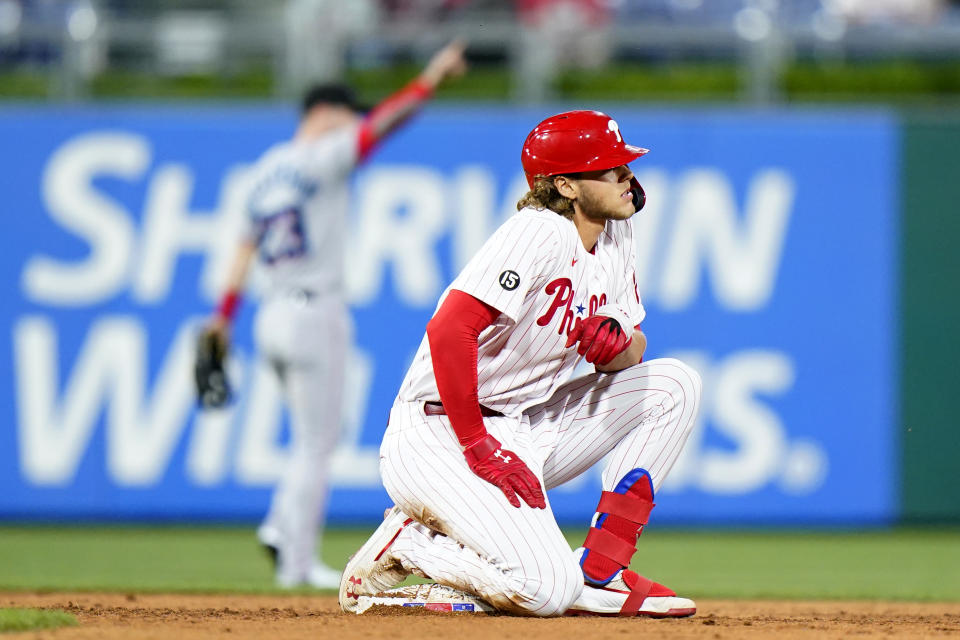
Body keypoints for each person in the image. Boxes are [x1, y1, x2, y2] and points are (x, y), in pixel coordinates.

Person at [339, 110, 702, 616]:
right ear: (566, 186)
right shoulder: (537, 232)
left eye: (625, 164)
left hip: (525, 425)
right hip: (441, 433)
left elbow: (629, 352)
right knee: (547, 591)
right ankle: (408, 542)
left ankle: (602, 571)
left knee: (675, 385)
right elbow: (449, 330)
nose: (626, 176)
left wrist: (617, 344)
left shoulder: (616, 234)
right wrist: (477, 445)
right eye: (609, 168)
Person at [205, 41, 468, 589]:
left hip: (269, 314)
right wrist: (430, 79)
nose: (350, 123)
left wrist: (221, 319)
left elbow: (241, 252)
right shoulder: (319, 156)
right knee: (318, 441)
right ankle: (295, 558)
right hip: (312, 310)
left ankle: (281, 527)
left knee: (312, 436)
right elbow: (381, 126)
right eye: (345, 114)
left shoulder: (261, 174)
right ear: (325, 113)